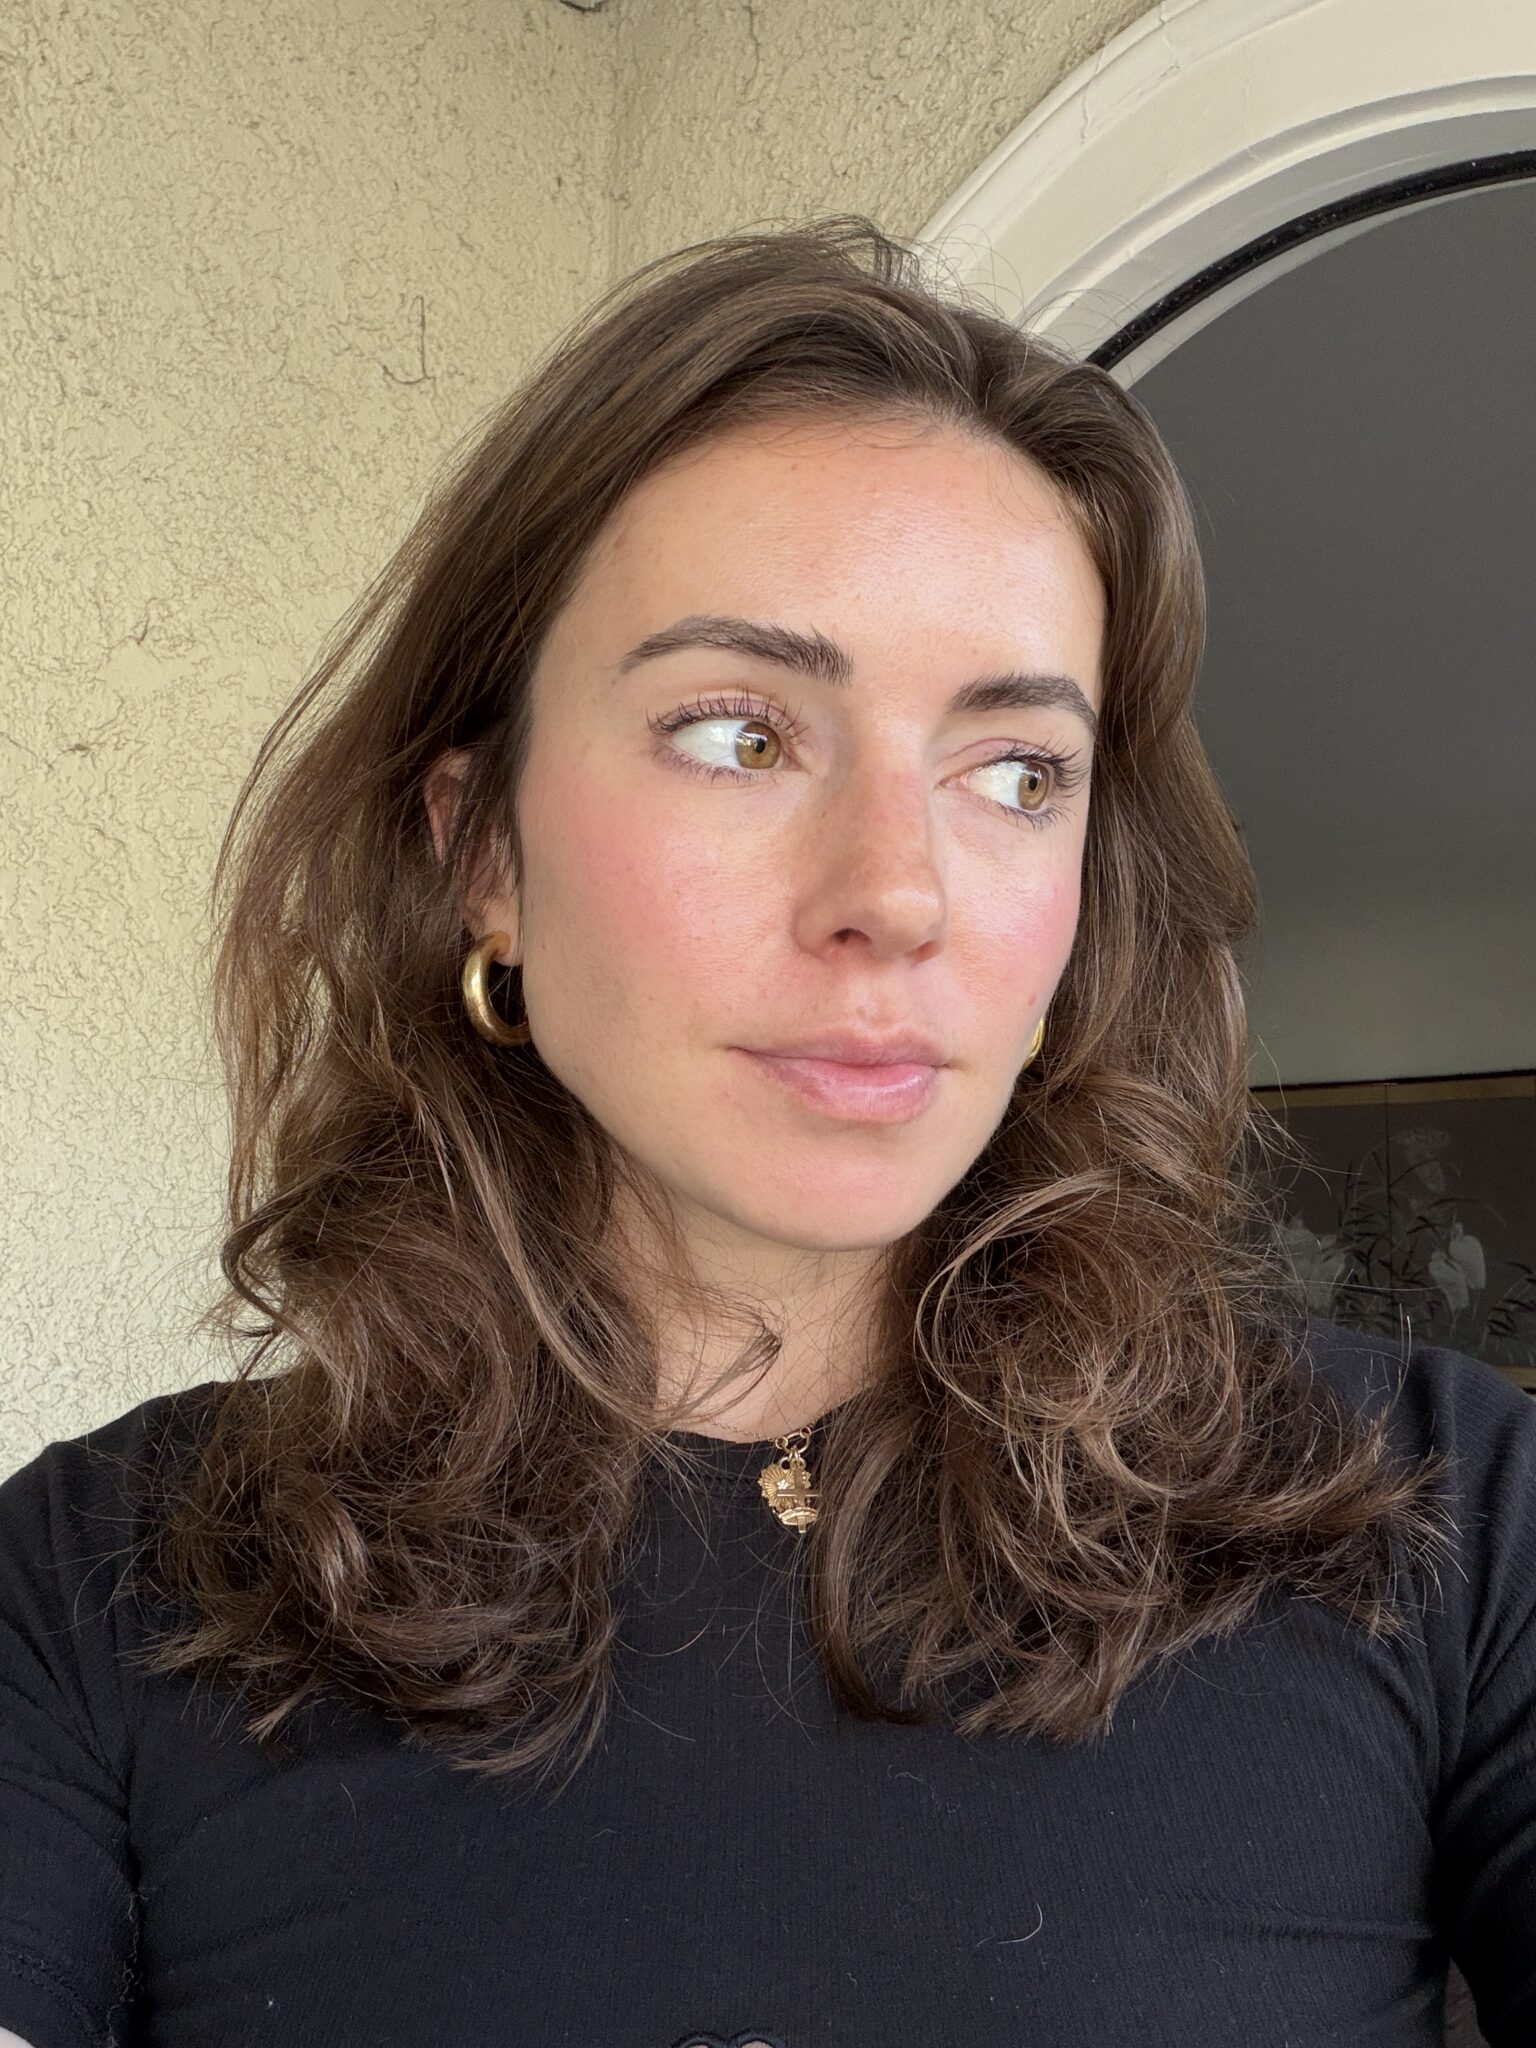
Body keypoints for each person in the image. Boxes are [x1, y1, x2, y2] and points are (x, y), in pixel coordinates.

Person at [1, 214, 1531, 2048]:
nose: (897, 895)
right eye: (738, 734)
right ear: (481, 851)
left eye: (1017, 771)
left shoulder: (1446, 1512)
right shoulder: (98, 1588)